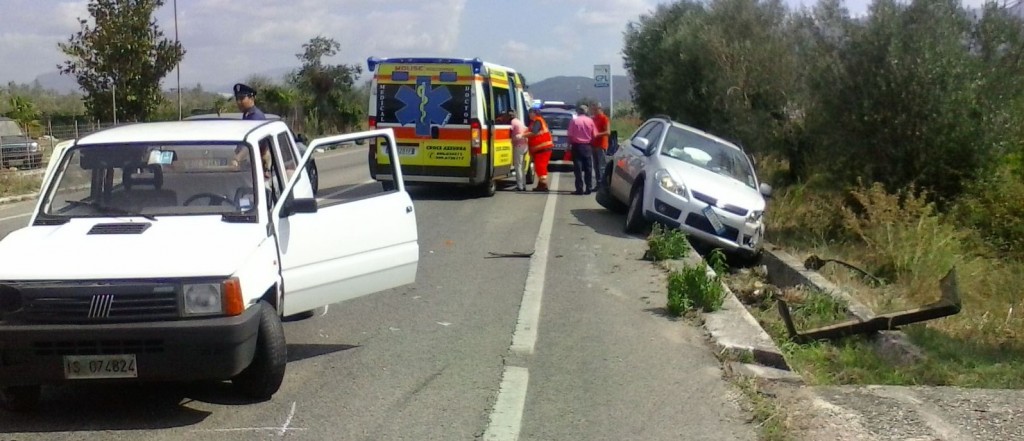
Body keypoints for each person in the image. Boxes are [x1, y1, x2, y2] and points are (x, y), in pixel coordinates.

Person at [566, 104, 597, 195]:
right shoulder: (590, 121)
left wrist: (568, 146)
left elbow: (570, 135)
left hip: (577, 146)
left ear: (578, 111)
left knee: (578, 168)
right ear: (586, 111)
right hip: (587, 146)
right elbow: (594, 135)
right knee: (588, 168)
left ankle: (579, 188)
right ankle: (589, 188)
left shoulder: (574, 121)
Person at [523, 107, 554, 192]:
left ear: (534, 113)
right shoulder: (534, 122)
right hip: (540, 149)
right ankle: (541, 185)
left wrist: (522, 136)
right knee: (539, 167)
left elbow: (534, 133)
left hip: (543, 148)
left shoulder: (537, 121)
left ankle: (544, 185)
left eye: (530, 113)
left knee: (541, 167)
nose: (529, 114)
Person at [508, 109, 530, 192]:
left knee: (518, 166)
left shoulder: (512, 122)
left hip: (518, 146)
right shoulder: (519, 121)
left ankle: (520, 186)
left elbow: (509, 131)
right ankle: (523, 185)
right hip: (525, 145)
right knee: (522, 167)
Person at [591, 103, 611, 187]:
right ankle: (598, 183)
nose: (594, 111)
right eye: (593, 109)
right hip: (593, 145)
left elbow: (608, 132)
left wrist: (597, 134)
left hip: (601, 145)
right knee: (595, 166)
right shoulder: (594, 119)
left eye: (596, 109)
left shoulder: (604, 119)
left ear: (600, 109)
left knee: (601, 166)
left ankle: (603, 185)